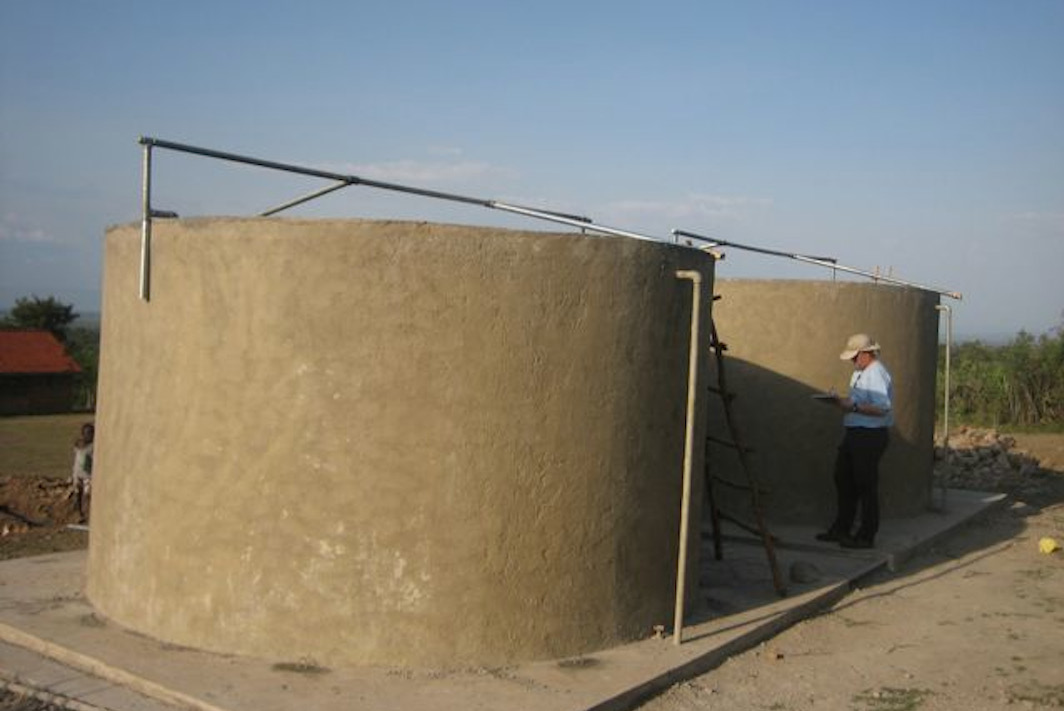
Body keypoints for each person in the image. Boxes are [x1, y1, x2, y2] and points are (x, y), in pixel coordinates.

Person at [815, 334, 893, 549]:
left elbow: (883, 408)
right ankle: (842, 529)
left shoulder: (876, 373)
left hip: (870, 435)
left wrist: (854, 407)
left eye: (854, 356)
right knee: (843, 479)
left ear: (866, 353)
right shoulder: (860, 372)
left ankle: (866, 536)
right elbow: (857, 401)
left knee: (865, 485)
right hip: (855, 432)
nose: (852, 360)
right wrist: (840, 402)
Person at [72, 423, 94, 524]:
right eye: (87, 433)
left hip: (88, 474)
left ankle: (88, 513)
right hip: (77, 473)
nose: (89, 436)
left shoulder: (93, 446)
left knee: (87, 493)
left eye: (91, 433)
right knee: (78, 492)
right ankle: (79, 513)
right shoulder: (79, 445)